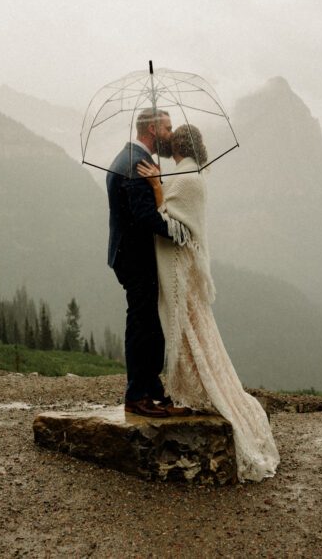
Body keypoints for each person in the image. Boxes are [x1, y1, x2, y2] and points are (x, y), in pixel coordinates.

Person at [136, 124, 280, 481]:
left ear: (178, 146)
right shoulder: (191, 174)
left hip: (179, 265)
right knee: (194, 325)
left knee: (187, 325)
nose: (167, 141)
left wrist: (155, 185)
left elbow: (171, 223)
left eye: (171, 137)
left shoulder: (185, 179)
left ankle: (198, 387)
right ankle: (192, 385)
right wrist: (161, 183)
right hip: (184, 263)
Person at [106, 107, 189, 418]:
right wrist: (181, 233)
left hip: (131, 255)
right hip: (135, 258)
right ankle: (137, 395)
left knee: (149, 322)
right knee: (142, 324)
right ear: (153, 130)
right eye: (167, 128)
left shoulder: (133, 159)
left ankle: (151, 389)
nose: (171, 134)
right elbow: (145, 218)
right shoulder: (136, 166)